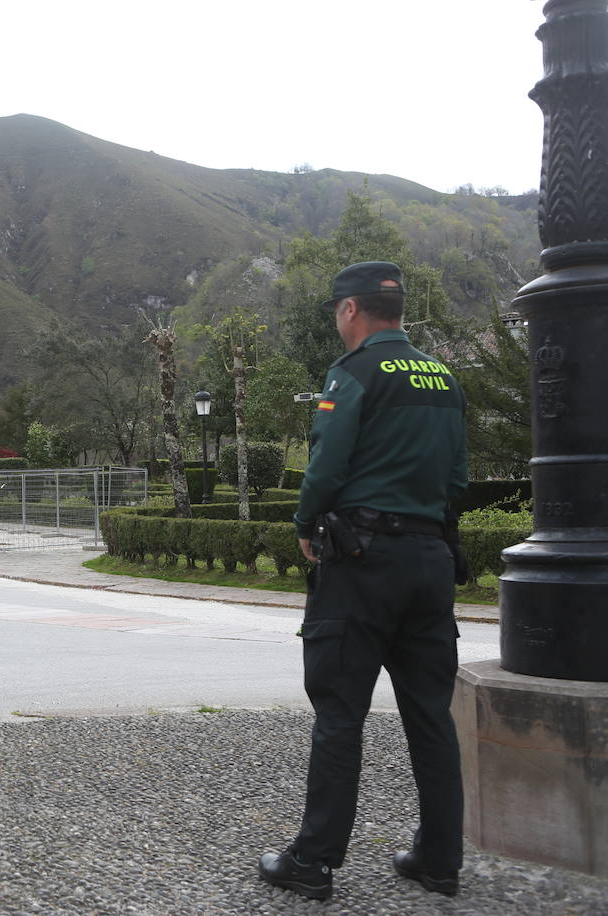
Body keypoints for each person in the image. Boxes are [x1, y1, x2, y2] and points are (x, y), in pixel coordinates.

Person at [258, 262, 468, 901]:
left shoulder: (350, 374)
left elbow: (327, 462)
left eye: (336, 312)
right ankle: (439, 860)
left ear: (350, 311)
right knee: (431, 712)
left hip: (362, 560)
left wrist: (303, 522)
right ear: (398, 309)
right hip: (431, 560)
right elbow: (456, 475)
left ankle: (314, 862)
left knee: (341, 710)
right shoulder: (444, 377)